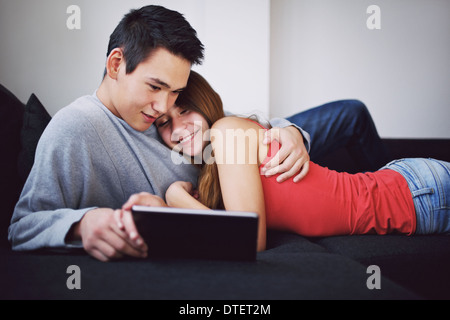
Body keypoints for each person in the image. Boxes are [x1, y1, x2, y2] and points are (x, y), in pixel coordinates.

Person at [9, 5, 312, 262]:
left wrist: (290, 131)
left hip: (270, 180)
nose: (162, 106)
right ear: (116, 64)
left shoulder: (160, 112)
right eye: (154, 87)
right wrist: (82, 223)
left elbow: (234, 122)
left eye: (175, 92)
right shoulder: (74, 128)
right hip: (229, 219)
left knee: (344, 116)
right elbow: (23, 225)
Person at [119, 71, 450, 252]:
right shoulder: (217, 168)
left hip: (417, 195)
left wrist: (176, 198)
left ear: (205, 105)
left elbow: (248, 240)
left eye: (185, 111)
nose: (177, 129)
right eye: (164, 124)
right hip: (409, 190)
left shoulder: (227, 131)